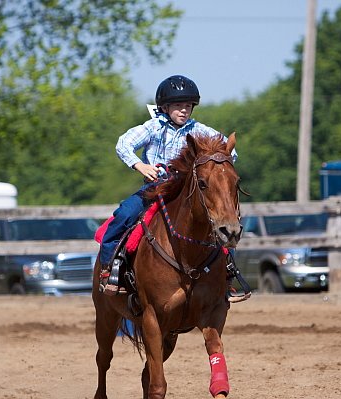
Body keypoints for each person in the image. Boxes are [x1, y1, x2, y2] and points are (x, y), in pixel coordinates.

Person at [99, 75, 246, 300]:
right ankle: (109, 269)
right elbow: (123, 144)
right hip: (155, 189)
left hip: (185, 192)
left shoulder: (199, 129)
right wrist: (139, 165)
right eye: (178, 105)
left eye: (188, 106)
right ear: (165, 107)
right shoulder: (153, 127)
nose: (184, 110)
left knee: (223, 225)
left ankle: (226, 274)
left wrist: (215, 159)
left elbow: (230, 151)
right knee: (124, 215)